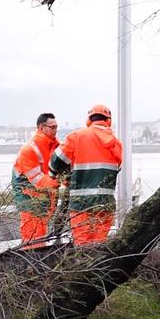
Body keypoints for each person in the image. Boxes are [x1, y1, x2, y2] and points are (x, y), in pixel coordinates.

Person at [50, 103, 123, 246]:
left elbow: (55, 163)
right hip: (105, 205)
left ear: (89, 120)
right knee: (97, 249)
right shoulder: (117, 144)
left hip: (81, 205)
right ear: (108, 121)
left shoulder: (77, 137)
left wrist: (60, 176)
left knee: (83, 251)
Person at [11, 112, 61, 249]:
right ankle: (32, 261)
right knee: (32, 234)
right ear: (41, 127)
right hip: (28, 197)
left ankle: (37, 259)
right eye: (52, 127)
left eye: (56, 127)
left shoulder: (53, 146)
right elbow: (37, 179)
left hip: (42, 196)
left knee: (40, 233)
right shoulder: (29, 149)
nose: (55, 130)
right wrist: (57, 183)